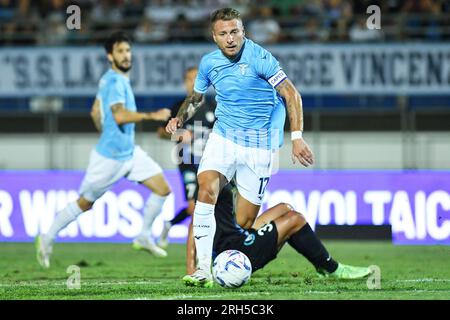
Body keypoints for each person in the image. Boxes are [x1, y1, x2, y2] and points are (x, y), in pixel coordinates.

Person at [166, 8, 314, 287]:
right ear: (215, 37)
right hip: (223, 137)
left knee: (244, 221)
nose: (230, 38)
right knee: (206, 187)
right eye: (223, 34)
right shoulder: (209, 63)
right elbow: (195, 99)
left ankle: (254, 243)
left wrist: (296, 137)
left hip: (258, 146)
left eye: (234, 32)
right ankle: (202, 270)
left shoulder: (260, 58)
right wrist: (179, 117)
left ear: (243, 32)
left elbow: (292, 93)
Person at [35, 31, 172, 268]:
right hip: (110, 159)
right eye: (120, 51)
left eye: (128, 50)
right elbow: (119, 116)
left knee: (162, 189)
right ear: (110, 56)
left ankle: (143, 235)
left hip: (129, 152)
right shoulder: (115, 81)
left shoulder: (108, 79)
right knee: (85, 203)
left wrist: (104, 129)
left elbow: (95, 112)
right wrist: (152, 115)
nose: (126, 55)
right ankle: (47, 237)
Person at [185, 185, 373, 286]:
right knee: (295, 219)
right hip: (235, 252)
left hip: (238, 235)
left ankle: (319, 264)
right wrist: (192, 268)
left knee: (285, 208)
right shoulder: (208, 180)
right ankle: (332, 268)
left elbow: (231, 219)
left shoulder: (227, 174)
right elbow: (195, 222)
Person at [156, 67, 216, 248]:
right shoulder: (178, 108)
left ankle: (170, 225)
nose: (193, 82)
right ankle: (199, 249)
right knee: (194, 207)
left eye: (196, 78)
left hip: (210, 163)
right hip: (187, 163)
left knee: (209, 206)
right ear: (185, 83)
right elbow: (160, 132)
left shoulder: (215, 106)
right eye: (189, 79)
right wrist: (178, 135)